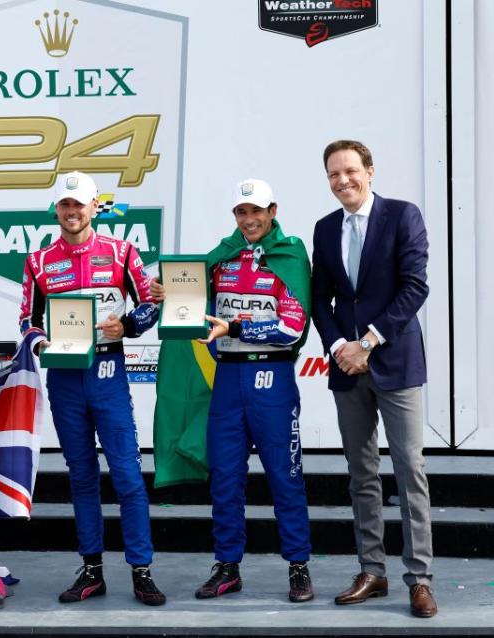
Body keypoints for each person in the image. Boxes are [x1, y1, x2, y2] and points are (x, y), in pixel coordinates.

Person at [152, 179, 313, 602]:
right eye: (242, 212)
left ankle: (298, 566)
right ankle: (227, 566)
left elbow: (291, 330)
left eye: (256, 211)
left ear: (272, 210)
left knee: (285, 476)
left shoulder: (290, 254)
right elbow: (188, 301)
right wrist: (165, 293)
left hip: (271, 379)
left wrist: (238, 326)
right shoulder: (223, 259)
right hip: (227, 381)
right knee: (224, 478)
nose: (249, 219)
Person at [19, 171, 166, 606]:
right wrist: (41, 341)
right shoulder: (39, 260)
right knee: (81, 475)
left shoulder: (121, 252)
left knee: (126, 473)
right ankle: (92, 570)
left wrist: (128, 324)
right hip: (64, 375)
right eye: (65, 205)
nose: (72, 212)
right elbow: (27, 319)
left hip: (107, 370)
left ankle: (141, 569)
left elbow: (150, 304)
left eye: (79, 204)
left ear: (93, 207)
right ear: (57, 210)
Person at [311, 140, 435, 617]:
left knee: (410, 472)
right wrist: (340, 346)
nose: (342, 180)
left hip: (396, 362)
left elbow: (415, 286)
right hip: (347, 368)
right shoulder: (325, 229)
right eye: (333, 174)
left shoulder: (403, 216)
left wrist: (369, 341)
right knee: (362, 475)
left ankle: (419, 579)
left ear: (370, 171)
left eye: (349, 171)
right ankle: (373, 571)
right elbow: (320, 298)